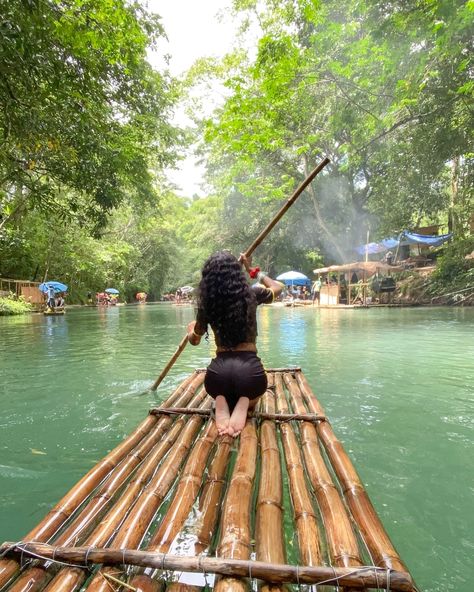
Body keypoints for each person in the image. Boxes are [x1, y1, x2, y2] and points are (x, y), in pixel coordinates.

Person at [187, 251, 283, 438]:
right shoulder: (253, 294)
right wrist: (253, 270)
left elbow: (195, 340)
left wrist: (191, 330)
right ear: (238, 274)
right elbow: (278, 287)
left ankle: (221, 400)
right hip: (249, 374)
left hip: (217, 377)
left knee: (221, 389)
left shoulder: (207, 304)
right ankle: (246, 402)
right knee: (250, 391)